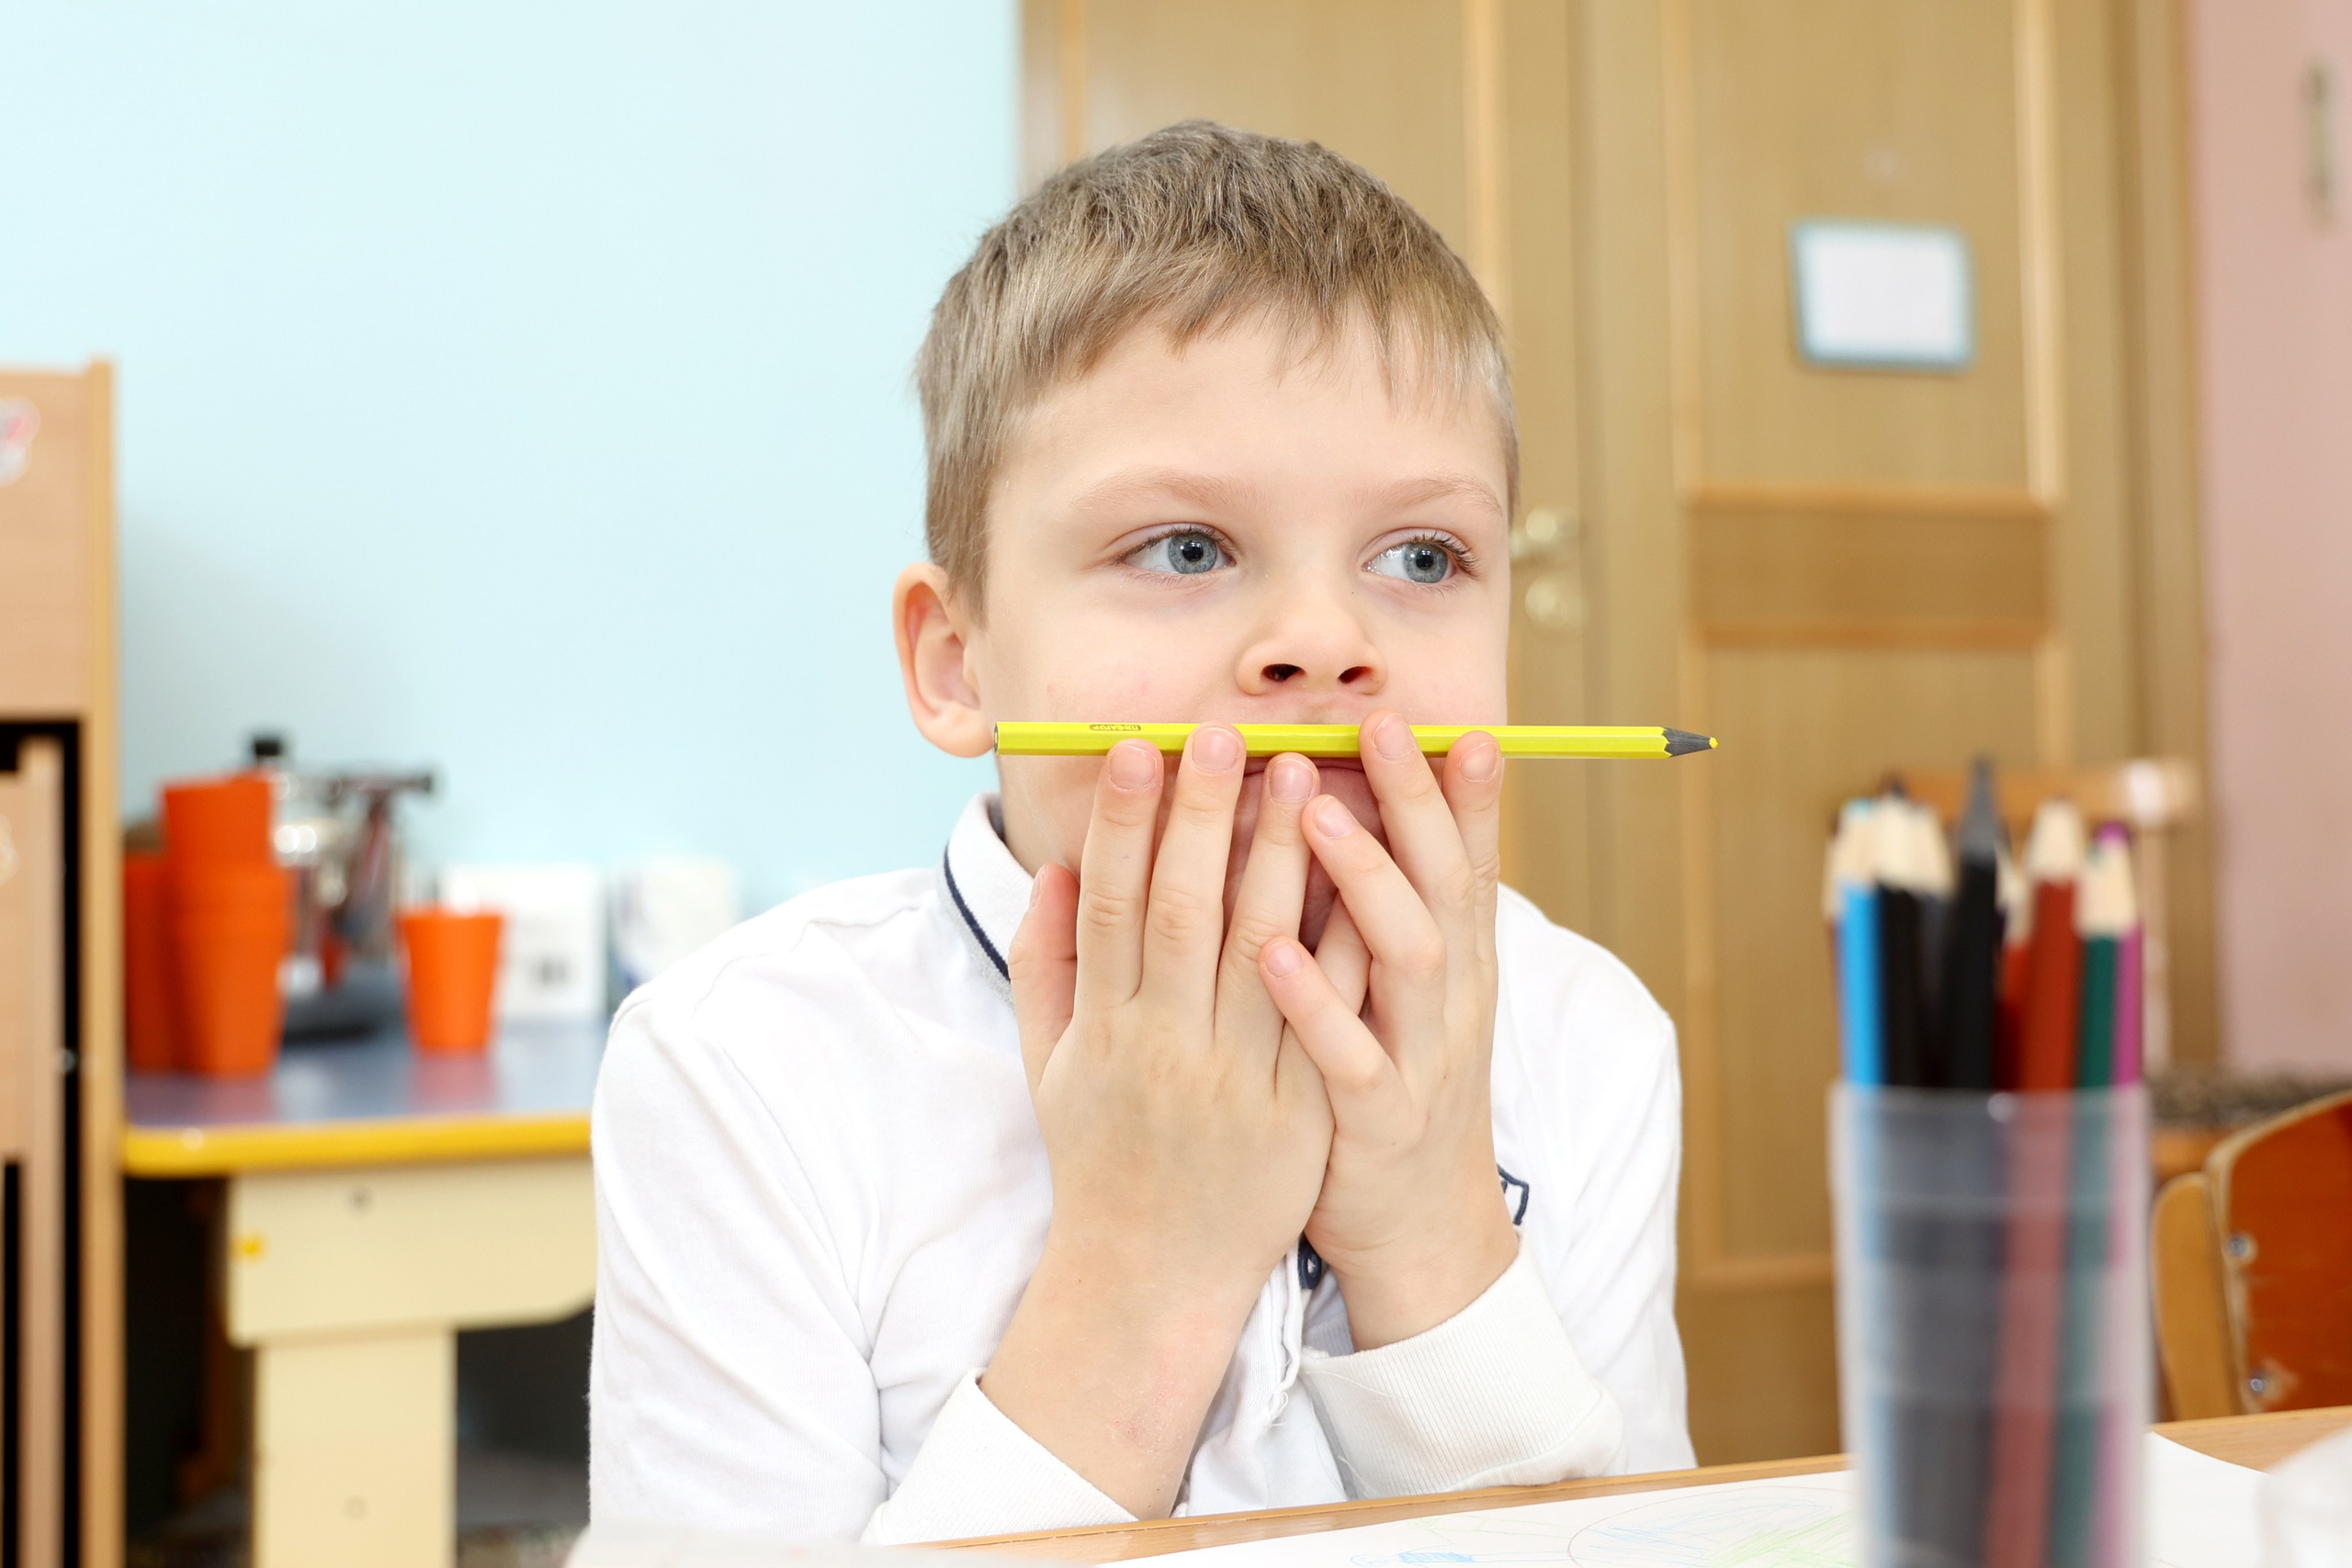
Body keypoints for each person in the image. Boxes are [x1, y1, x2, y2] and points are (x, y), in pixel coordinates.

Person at [589, 120, 1693, 1544]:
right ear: (956, 661)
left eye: (1422, 557)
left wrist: (1431, 1238)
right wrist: (1152, 1262)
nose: (1321, 642)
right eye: (1186, 549)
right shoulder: (743, 1067)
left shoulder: (1590, 1038)